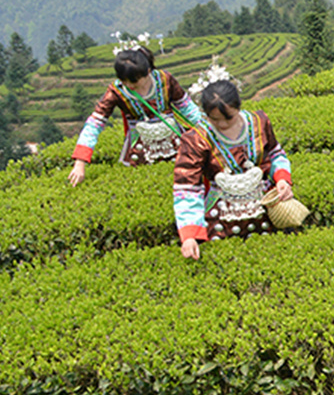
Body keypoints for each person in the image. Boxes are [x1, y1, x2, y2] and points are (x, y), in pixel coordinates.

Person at [173, 80, 293, 260]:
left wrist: (282, 179)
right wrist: (189, 235)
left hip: (264, 209)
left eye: (228, 117)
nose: (222, 125)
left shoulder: (259, 123)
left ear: (238, 106)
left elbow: (275, 153)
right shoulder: (196, 140)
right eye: (215, 119)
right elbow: (187, 188)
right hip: (221, 217)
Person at [68, 45, 205, 185]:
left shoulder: (165, 80)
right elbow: (95, 123)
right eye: (124, 81)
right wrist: (80, 162)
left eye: (134, 81)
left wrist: (207, 132)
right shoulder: (117, 91)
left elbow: (187, 108)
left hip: (175, 144)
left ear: (148, 72)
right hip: (139, 152)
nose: (129, 85)